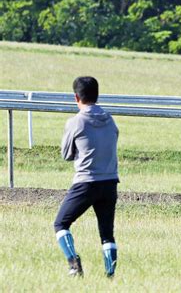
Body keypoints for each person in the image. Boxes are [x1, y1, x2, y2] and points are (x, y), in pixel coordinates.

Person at [53, 76, 119, 278]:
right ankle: (109, 275)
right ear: (98, 95)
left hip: (86, 183)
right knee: (107, 233)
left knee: (61, 223)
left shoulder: (76, 121)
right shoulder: (110, 119)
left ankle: (74, 264)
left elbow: (66, 154)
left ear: (76, 97)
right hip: (110, 183)